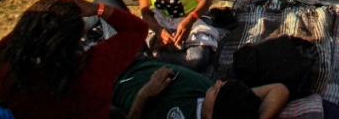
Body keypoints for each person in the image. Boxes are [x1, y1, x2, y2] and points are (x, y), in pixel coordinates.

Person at [0, 0, 150, 119]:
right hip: (132, 72)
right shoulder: (94, 66)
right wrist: (96, 8)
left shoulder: (6, 77)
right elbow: (137, 29)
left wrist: (32, 24)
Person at [114, 63, 289, 119]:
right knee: (106, 0)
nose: (218, 81)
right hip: (137, 57)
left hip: (112, 81)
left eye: (216, 90)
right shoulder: (236, 103)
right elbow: (279, 89)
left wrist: (143, 95)